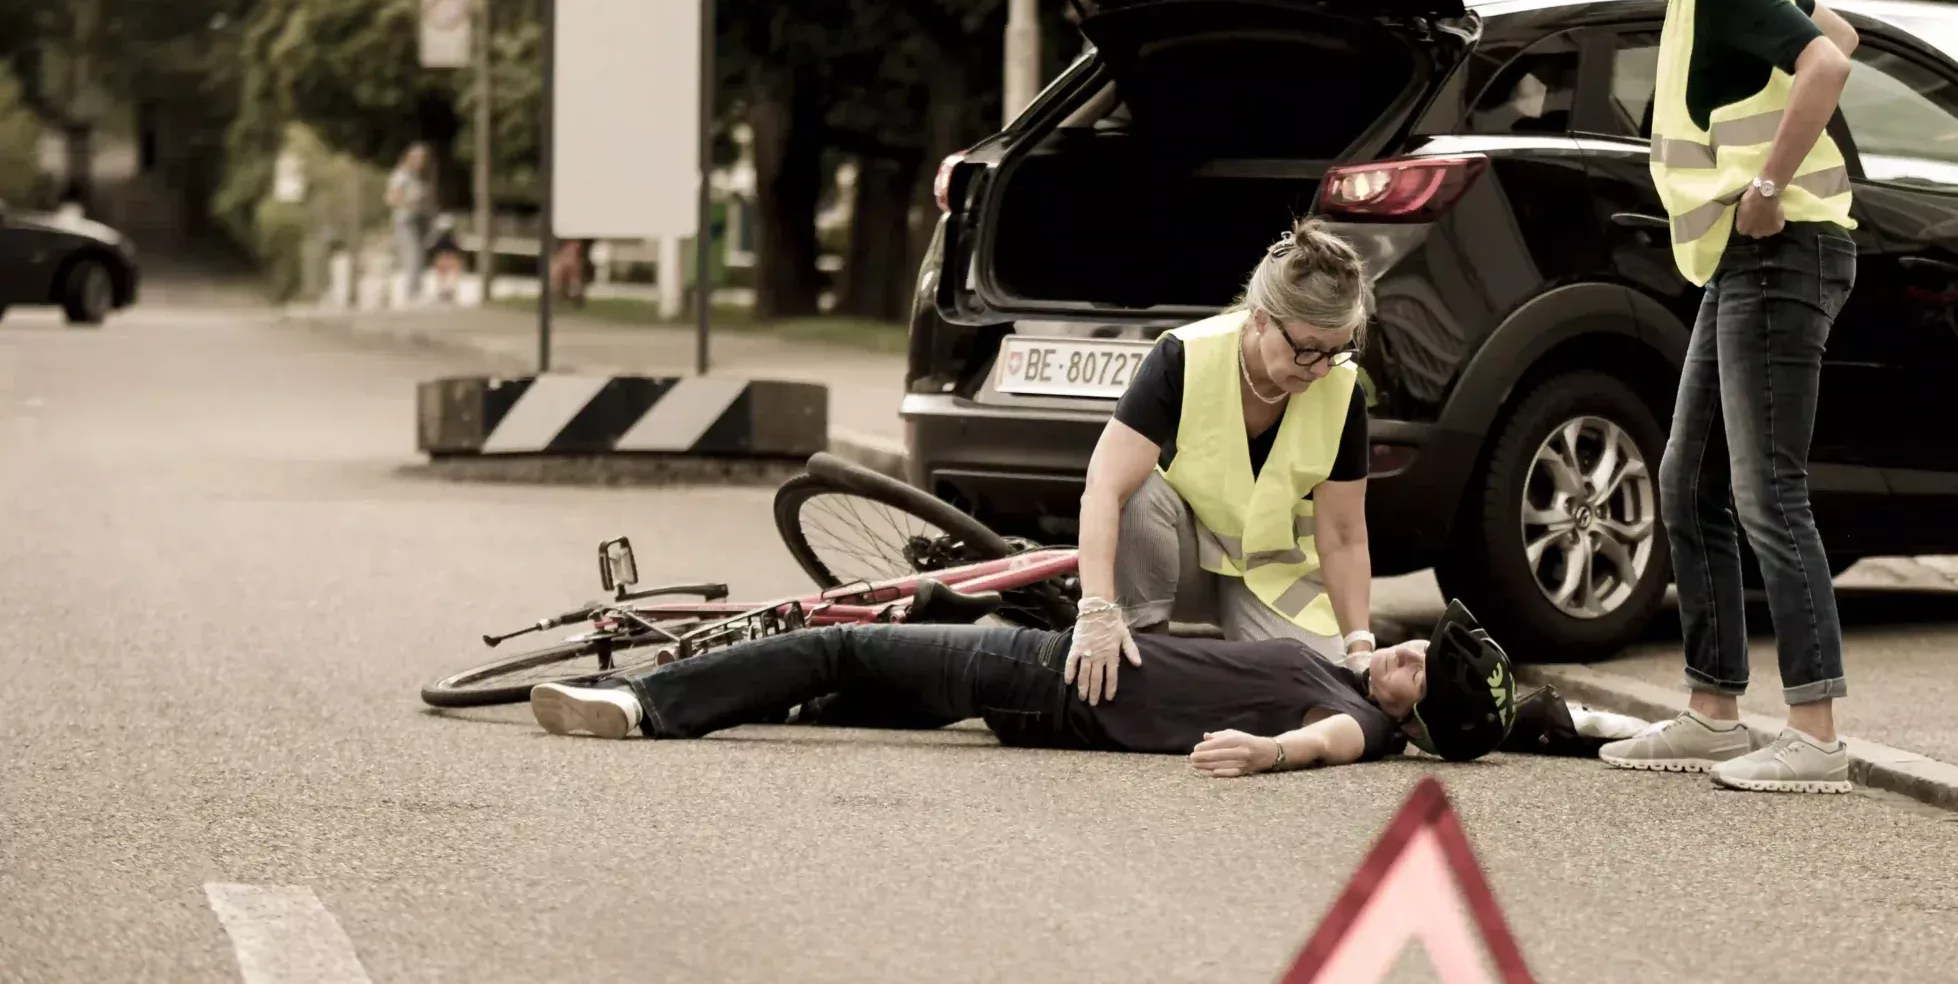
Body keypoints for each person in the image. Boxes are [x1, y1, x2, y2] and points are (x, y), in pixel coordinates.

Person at [1583, 0, 1863, 793]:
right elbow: (1845, 33)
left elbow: (1829, 64)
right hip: (1743, 263)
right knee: (1688, 480)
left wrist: (1770, 182)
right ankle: (1714, 711)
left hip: (1782, 253)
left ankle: (1817, 735)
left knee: (1766, 492)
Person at [524, 598, 1521, 773]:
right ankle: (759, 692)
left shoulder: (1354, 722)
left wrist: (1269, 752)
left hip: (1042, 675)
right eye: (1418, 645)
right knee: (875, 668)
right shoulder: (1348, 676)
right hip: (1044, 689)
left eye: (1419, 670)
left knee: (836, 646)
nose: (1404, 652)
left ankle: (644, 704)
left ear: (1418, 722)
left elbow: (1323, 746)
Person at [1064, 220, 1379, 707]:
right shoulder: (1183, 358)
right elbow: (1104, 489)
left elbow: (1342, 535)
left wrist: (1359, 646)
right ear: (1259, 318)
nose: (1319, 369)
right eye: (1307, 349)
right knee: (1140, 490)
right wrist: (1097, 611)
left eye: (1335, 351)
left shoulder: (1342, 392)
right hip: (1180, 560)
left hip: (1273, 577)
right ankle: (1143, 646)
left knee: (1323, 698)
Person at [384, 144, 433, 306]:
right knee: (412, 254)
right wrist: (410, 202)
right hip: (405, 220)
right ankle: (412, 293)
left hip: (417, 219)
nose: (422, 162)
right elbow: (392, 198)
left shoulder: (414, 176)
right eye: (419, 159)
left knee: (418, 254)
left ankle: (416, 291)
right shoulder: (401, 175)